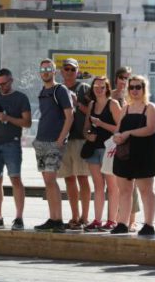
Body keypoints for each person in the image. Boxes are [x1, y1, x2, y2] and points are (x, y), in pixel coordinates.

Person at [0, 68, 32, 230]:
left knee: (15, 179)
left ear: (11, 80)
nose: (1, 87)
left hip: (12, 142)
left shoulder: (20, 98)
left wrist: (7, 118)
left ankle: (19, 217)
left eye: (4, 83)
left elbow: (27, 123)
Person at [110, 75, 155, 236]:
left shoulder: (150, 107)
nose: (135, 90)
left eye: (138, 87)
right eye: (132, 87)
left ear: (144, 89)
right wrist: (117, 135)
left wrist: (128, 133)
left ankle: (149, 224)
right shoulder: (125, 108)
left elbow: (150, 129)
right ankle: (122, 223)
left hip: (144, 155)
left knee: (146, 190)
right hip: (124, 155)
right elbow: (118, 128)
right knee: (124, 191)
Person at [33, 58, 73, 233]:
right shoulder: (43, 91)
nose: (45, 72)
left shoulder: (60, 90)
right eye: (42, 70)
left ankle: (58, 220)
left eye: (48, 69)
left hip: (53, 141)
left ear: (55, 71)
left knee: (51, 180)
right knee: (47, 181)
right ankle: (53, 217)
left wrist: (60, 140)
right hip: (41, 141)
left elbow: (69, 116)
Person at [82, 76, 122, 232]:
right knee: (98, 186)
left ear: (107, 88)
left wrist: (101, 124)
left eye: (101, 87)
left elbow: (120, 128)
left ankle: (112, 220)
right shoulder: (91, 105)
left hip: (109, 148)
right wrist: (87, 135)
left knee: (112, 186)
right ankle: (97, 220)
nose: (98, 90)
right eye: (95, 87)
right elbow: (85, 128)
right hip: (94, 148)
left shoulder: (113, 104)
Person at [56, 58, 92, 230]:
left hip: (79, 138)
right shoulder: (58, 89)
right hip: (63, 139)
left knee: (83, 178)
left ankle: (85, 217)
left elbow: (91, 112)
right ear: (61, 71)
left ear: (77, 71)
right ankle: (74, 216)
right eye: (66, 69)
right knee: (69, 179)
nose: (69, 72)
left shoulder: (83, 88)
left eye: (72, 69)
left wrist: (77, 102)